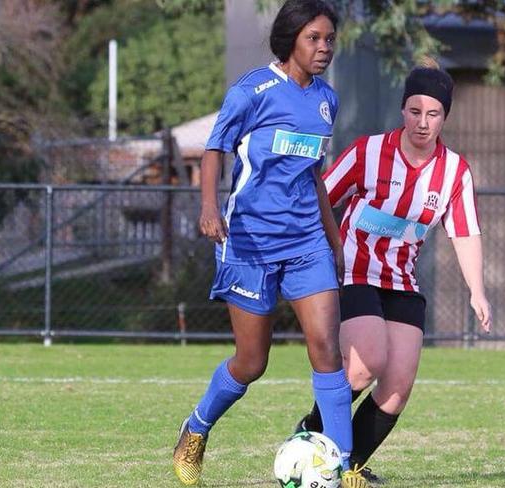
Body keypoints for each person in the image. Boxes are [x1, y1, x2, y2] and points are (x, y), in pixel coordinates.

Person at [172, 1, 369, 486]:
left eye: (329, 39)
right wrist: (209, 207)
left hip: (306, 242)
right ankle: (195, 429)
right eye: (313, 38)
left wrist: (333, 235)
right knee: (251, 362)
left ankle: (343, 466)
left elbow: (315, 175)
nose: (324, 48)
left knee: (326, 349)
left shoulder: (327, 100)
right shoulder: (251, 92)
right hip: (250, 243)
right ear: (290, 40)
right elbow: (214, 149)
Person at [295, 59, 492, 481]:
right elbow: (320, 199)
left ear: (444, 118)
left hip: (401, 280)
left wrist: (477, 290)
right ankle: (308, 439)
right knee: (367, 363)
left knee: (398, 387)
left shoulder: (454, 172)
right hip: (353, 273)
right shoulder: (368, 152)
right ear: (403, 110)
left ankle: (351, 467)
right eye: (415, 111)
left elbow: (465, 233)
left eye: (433, 113)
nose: (423, 122)